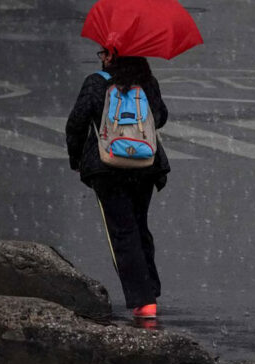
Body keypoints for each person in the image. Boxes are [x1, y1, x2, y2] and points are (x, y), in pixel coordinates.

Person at [66, 48, 171, 319]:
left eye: (104, 51)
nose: (100, 55)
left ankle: (143, 301)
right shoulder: (147, 81)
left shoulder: (96, 82)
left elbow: (76, 123)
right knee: (138, 225)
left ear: (112, 56)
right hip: (144, 165)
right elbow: (160, 117)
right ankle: (150, 290)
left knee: (122, 233)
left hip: (107, 167)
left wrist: (76, 158)